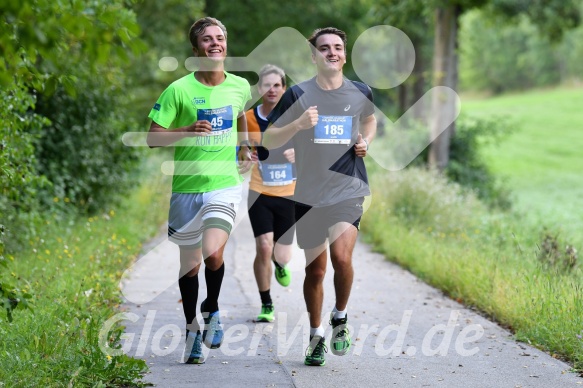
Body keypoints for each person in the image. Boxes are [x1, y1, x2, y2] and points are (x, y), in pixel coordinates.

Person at [263, 27, 376, 366]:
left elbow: (369, 121)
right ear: (313, 55)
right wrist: (296, 125)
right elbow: (269, 139)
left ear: (344, 53)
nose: (332, 52)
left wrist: (366, 142)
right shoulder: (297, 94)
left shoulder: (360, 91)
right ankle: (316, 336)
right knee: (315, 271)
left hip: (348, 188)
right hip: (309, 193)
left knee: (341, 259)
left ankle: (339, 316)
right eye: (324, 48)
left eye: (338, 47)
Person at [146, 16, 252, 365]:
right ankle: (192, 329)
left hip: (224, 186)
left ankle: (213, 309)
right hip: (187, 189)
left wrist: (243, 146)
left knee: (213, 253)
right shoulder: (178, 90)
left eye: (219, 37)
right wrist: (188, 130)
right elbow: (152, 138)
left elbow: (240, 118)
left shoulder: (239, 86)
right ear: (196, 49)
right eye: (207, 39)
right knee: (189, 265)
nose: (215, 43)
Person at [246, 64, 295, 323]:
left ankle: (280, 264)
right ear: (260, 88)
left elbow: (312, 148)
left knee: (281, 254)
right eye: (267, 85)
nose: (272, 90)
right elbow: (239, 151)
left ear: (284, 89)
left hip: (290, 193)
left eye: (277, 85)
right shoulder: (248, 118)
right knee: (264, 246)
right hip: (259, 192)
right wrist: (245, 156)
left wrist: (298, 154)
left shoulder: (295, 117)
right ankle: (266, 303)